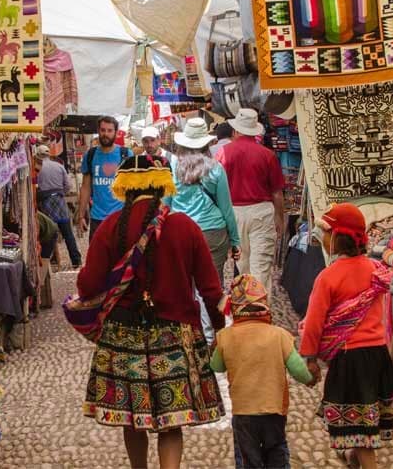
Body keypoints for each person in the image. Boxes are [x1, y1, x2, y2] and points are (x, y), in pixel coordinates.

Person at [78, 155, 225, 469]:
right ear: (162, 187)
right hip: (175, 334)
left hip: (122, 338)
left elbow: (88, 285)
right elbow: (211, 289)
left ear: (125, 189)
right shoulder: (184, 226)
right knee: (171, 423)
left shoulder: (110, 227)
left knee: (133, 419)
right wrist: (219, 328)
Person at [300, 203, 393, 469]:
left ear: (338, 237)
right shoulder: (375, 270)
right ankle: (353, 458)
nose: (325, 238)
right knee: (364, 420)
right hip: (378, 355)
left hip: (350, 360)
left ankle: (366, 463)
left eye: (327, 233)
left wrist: (309, 359)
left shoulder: (328, 277)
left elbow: (314, 323)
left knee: (362, 431)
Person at [211, 274, 314, 469]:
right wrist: (310, 379)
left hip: (243, 412)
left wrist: (216, 346)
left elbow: (217, 366)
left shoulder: (226, 337)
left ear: (234, 308)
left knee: (248, 456)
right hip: (273, 410)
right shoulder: (279, 335)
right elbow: (298, 370)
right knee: (276, 450)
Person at [167, 117, 240, 343]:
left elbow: (167, 203)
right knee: (211, 287)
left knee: (183, 285)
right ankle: (211, 339)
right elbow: (226, 208)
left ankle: (189, 335)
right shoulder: (216, 169)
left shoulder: (173, 167)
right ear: (206, 144)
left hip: (181, 232)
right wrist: (235, 240)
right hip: (213, 233)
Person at [221, 108, 285, 294]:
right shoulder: (267, 155)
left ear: (235, 130)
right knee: (261, 270)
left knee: (243, 268)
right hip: (261, 213)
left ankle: (247, 313)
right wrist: (279, 218)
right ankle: (262, 314)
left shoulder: (223, 153)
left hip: (234, 214)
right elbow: (277, 193)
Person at [78, 116, 133, 241]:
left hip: (120, 217)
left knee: (120, 258)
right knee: (97, 257)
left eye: (109, 130)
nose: (105, 134)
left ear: (116, 132)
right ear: (98, 131)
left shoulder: (125, 155)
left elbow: (133, 188)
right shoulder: (90, 155)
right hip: (97, 218)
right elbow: (86, 187)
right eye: (103, 130)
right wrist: (81, 216)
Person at [34, 145, 82, 268]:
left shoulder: (37, 168)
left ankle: (49, 261)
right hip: (59, 201)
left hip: (45, 203)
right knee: (68, 234)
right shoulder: (59, 166)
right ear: (49, 154)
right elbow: (68, 185)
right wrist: (60, 193)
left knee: (49, 233)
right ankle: (76, 260)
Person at [36, 211, 59, 308]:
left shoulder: (31, 216)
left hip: (48, 235)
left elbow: (37, 233)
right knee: (42, 264)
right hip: (47, 232)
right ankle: (42, 298)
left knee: (43, 265)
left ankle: (40, 298)